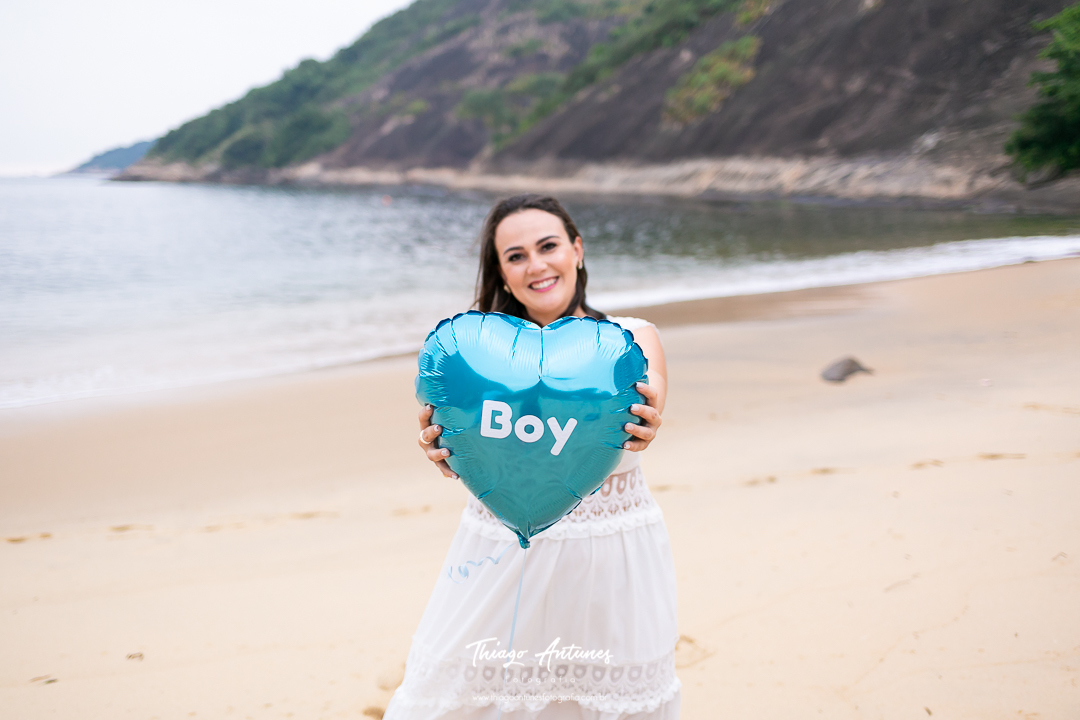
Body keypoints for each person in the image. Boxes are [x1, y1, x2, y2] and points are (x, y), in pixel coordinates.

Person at [385, 194, 679, 720]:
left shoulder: (632, 339)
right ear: (501, 271)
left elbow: (649, 400)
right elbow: (449, 424)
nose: (536, 265)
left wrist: (647, 417)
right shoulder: (474, 353)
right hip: (500, 553)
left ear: (577, 250)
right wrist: (437, 443)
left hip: (610, 552)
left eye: (548, 246)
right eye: (515, 255)